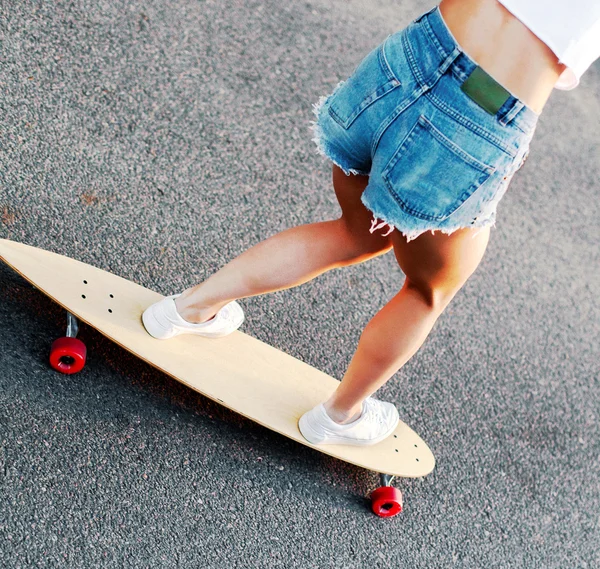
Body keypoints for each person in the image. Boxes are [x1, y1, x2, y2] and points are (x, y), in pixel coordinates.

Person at [142, 0, 600, 446]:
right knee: (427, 290)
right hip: (481, 115)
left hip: (415, 54)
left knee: (354, 231)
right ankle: (340, 416)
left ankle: (187, 309)